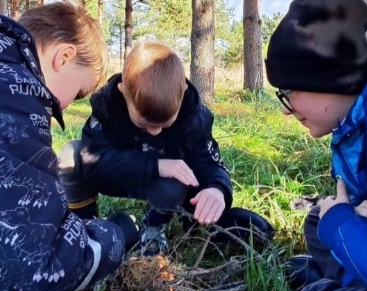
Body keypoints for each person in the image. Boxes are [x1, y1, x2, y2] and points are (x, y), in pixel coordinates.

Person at [59, 40, 275, 256]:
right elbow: (92, 160)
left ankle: (154, 226)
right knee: (71, 154)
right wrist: (156, 165)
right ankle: (83, 223)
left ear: (182, 92)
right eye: (144, 124)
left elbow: (209, 163)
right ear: (123, 92)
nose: (154, 132)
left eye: (165, 124)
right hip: (117, 176)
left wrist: (217, 189)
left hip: (161, 187)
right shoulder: (107, 106)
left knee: (178, 178)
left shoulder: (194, 116)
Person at [0, 2, 140, 291]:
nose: (62, 107)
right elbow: (36, 268)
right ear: (64, 57)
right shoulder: (16, 92)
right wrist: (114, 235)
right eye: (77, 93)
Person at [265, 0, 367, 291]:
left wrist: (345, 227)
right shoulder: (359, 119)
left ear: (331, 78)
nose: (286, 111)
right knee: (319, 220)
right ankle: (350, 279)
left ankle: (335, 287)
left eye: (288, 91)